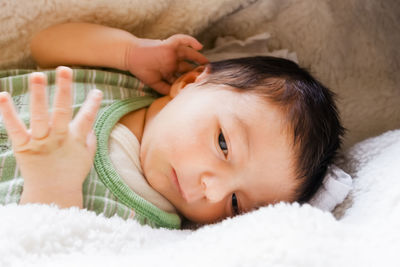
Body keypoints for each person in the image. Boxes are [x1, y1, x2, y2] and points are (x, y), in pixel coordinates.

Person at [0, 23, 344, 229]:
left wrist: (53, 186)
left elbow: (45, 246)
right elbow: (44, 44)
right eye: (223, 144)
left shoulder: (140, 222)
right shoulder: (128, 82)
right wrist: (128, 52)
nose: (212, 191)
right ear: (190, 81)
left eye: (236, 204)